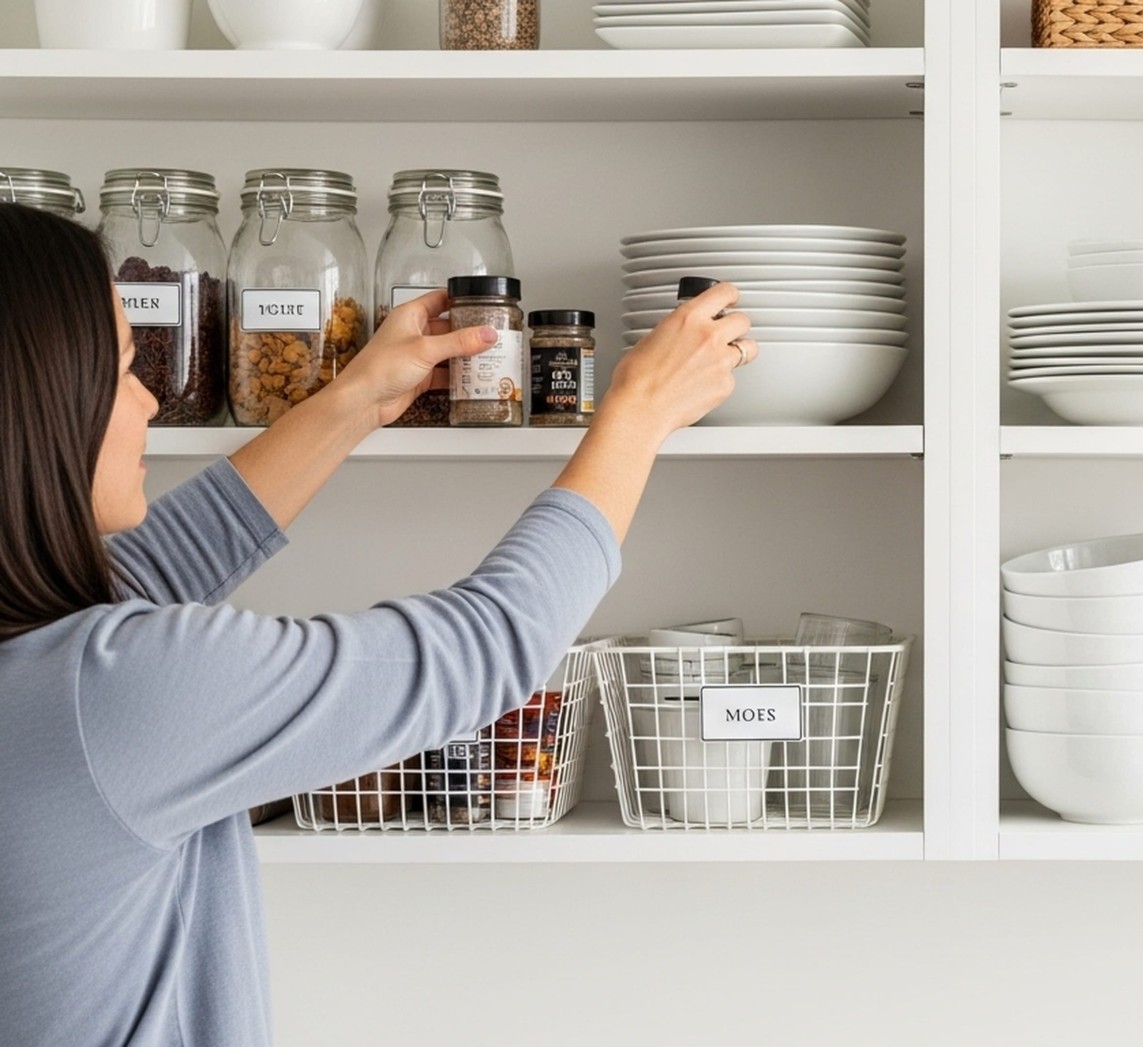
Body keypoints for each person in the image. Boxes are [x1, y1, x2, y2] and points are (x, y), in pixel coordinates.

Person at [0, 201, 758, 1046]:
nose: (151, 399)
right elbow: (485, 647)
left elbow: (157, 564)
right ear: (40, 405)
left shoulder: (38, 660)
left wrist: (358, 395)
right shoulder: (111, 696)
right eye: (125, 368)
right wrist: (640, 413)